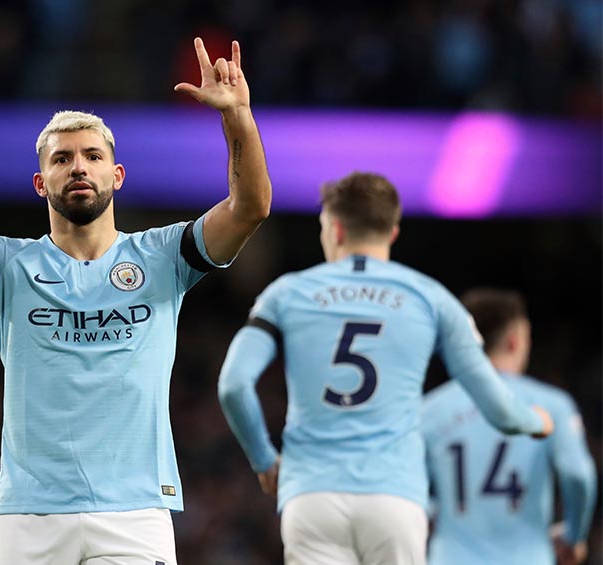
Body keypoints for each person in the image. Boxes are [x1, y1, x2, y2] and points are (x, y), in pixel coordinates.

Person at [0, 38, 272, 564]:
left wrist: (238, 118)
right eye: (62, 159)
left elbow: (250, 207)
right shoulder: (6, 266)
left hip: (135, 514)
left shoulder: (165, 255)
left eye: (93, 156)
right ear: (39, 183)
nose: (78, 168)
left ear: (116, 175)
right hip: (30, 516)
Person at [216, 172, 554, 564]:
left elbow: (234, 385)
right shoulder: (432, 298)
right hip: (395, 499)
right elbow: (499, 409)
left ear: (336, 228)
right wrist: (535, 421)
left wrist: (264, 460)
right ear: (393, 232)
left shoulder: (287, 293)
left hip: (311, 495)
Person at [422, 288, 597, 565]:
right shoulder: (551, 405)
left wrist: (436, 512)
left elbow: (412, 490)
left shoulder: (430, 409)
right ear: (515, 341)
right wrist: (574, 536)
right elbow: (578, 474)